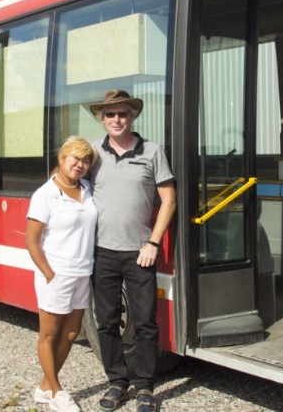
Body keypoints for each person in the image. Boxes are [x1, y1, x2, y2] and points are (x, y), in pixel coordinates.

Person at [89, 90, 176, 412]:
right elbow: (68, 180)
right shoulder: (92, 152)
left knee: (145, 323)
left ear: (132, 117)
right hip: (102, 253)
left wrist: (153, 243)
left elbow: (169, 200)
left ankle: (145, 386)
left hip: (140, 253)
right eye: (110, 114)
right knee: (107, 321)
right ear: (102, 118)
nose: (116, 120)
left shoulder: (152, 151)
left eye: (122, 114)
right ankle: (116, 382)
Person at [25, 136, 98, 412]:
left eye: (86, 160)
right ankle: (57, 392)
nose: (80, 164)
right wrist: (49, 274)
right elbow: (32, 242)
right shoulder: (45, 195)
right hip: (56, 274)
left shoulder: (88, 189)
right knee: (50, 335)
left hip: (82, 272)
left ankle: (44, 386)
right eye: (75, 158)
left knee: (71, 334)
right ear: (61, 158)